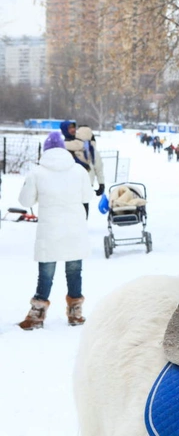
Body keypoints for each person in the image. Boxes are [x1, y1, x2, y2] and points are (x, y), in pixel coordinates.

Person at [17, 132, 92, 330]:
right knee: (74, 272)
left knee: (46, 274)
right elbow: (87, 196)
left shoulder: (37, 172)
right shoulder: (79, 170)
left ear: (46, 150)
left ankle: (36, 315)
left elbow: (25, 201)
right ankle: (75, 313)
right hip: (75, 229)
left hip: (50, 231)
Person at [61, 121, 106, 197]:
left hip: (84, 185)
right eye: (69, 128)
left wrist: (101, 183)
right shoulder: (62, 148)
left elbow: (98, 167)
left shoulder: (90, 148)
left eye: (73, 127)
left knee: (83, 207)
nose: (73, 130)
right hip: (69, 186)